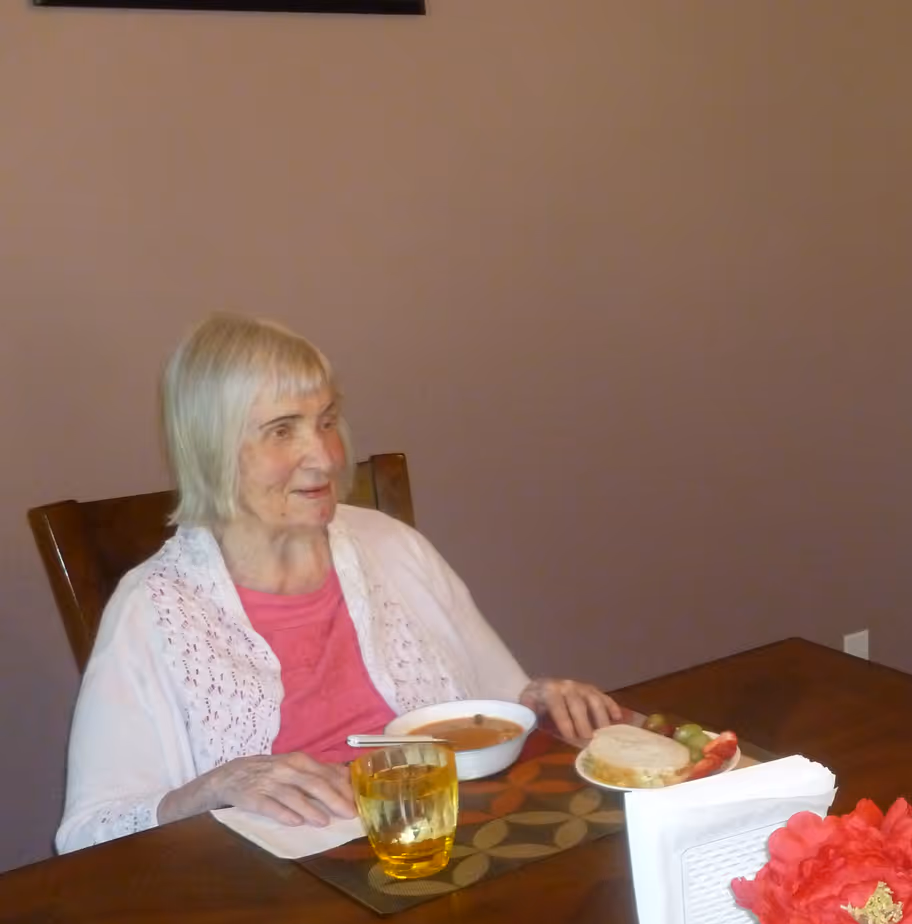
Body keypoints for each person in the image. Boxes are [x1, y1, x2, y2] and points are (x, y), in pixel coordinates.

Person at [55, 314, 623, 852]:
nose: (324, 457)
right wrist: (215, 786)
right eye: (283, 430)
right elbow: (88, 832)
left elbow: (498, 707)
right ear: (212, 451)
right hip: (282, 905)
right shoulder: (154, 608)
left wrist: (542, 701)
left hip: (448, 847)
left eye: (327, 421)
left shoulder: (390, 546)